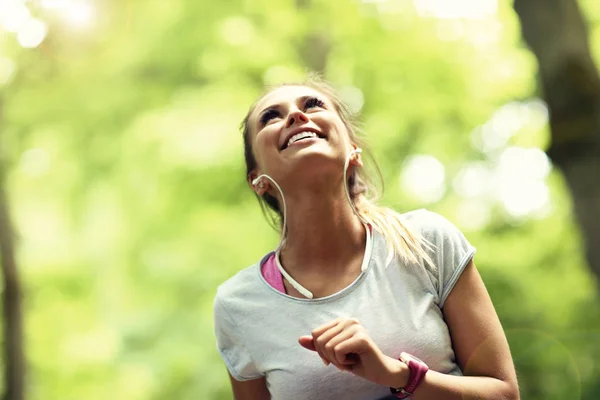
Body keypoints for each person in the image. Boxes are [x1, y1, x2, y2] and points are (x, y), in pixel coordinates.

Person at [213, 77, 519, 400]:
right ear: (256, 181)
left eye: (313, 105)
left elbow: (504, 393)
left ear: (353, 150)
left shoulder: (427, 240)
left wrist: (398, 375)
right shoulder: (238, 305)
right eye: (270, 116)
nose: (295, 116)